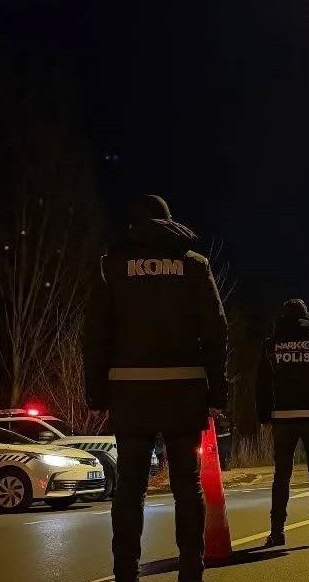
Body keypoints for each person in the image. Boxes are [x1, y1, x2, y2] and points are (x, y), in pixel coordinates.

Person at [83, 195, 228, 582]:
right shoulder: (194, 265)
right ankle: (191, 571)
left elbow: (95, 333)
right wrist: (218, 394)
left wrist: (96, 393)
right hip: (185, 387)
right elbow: (216, 332)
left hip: (130, 391)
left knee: (130, 488)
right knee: (187, 484)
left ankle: (125, 572)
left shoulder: (112, 265)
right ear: (168, 223)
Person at [255, 299, 309, 548]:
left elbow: (262, 384)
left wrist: (264, 417)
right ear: (306, 317)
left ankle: (276, 533)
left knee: (281, 475)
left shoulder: (270, 345)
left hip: (282, 419)